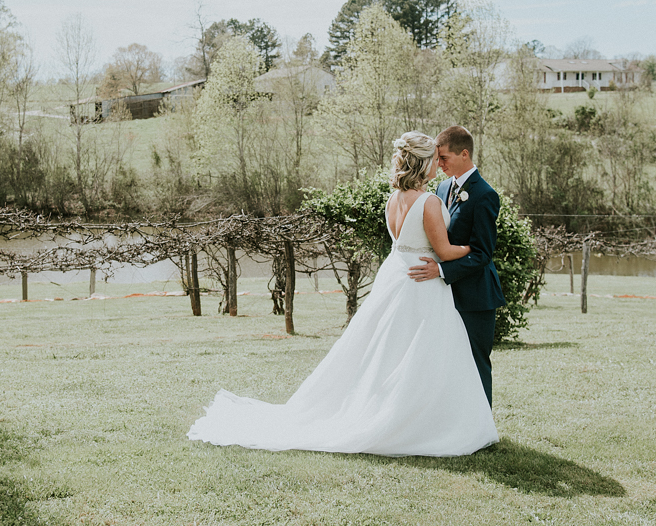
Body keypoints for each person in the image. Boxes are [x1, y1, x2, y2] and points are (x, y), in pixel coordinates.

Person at [187, 131, 498, 456]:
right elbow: (445, 251)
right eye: (435, 158)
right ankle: (416, 421)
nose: (439, 163)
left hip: (396, 278)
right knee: (423, 354)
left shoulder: (393, 199)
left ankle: (414, 414)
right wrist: (470, 249)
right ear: (423, 162)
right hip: (421, 283)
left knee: (387, 354)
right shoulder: (430, 200)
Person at [408, 125, 506, 407]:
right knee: (447, 362)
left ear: (465, 154)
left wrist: (440, 271)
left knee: (476, 362)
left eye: (444, 158)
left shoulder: (485, 194)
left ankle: (483, 424)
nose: (439, 164)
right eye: (437, 158)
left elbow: (483, 253)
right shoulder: (440, 188)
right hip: (443, 295)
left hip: (476, 295)